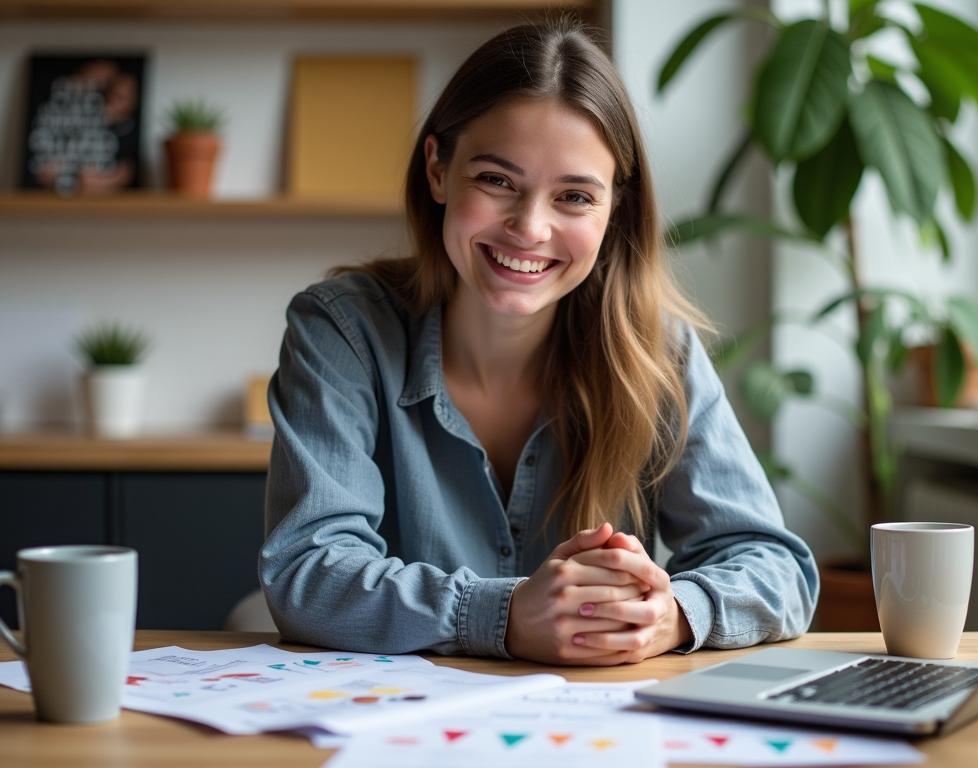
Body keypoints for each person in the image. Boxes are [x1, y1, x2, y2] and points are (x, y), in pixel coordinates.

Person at [260, 19, 818, 666]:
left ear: (613, 213)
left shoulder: (661, 353)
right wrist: (501, 615)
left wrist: (670, 615)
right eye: (497, 180)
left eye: (575, 196)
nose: (529, 228)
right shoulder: (343, 331)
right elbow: (309, 572)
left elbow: (774, 566)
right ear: (439, 171)